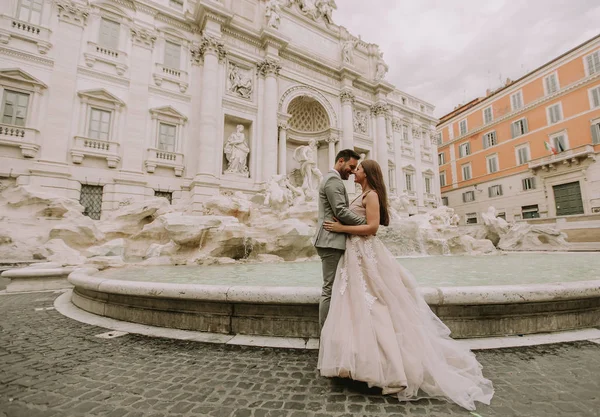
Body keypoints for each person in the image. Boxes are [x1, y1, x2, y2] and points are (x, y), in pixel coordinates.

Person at [318, 159, 494, 411]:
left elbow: (372, 228)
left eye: (358, 169)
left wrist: (340, 227)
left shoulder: (372, 195)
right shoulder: (363, 193)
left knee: (376, 305)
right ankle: (357, 362)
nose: (353, 171)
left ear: (366, 174)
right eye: (354, 168)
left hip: (365, 254)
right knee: (356, 305)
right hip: (354, 256)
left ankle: (387, 368)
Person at [313, 149, 366, 328]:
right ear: (341, 161)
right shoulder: (333, 181)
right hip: (331, 240)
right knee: (329, 289)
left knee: (334, 287)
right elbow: (340, 211)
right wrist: (365, 223)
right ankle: (325, 333)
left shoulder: (331, 180)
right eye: (351, 166)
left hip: (332, 239)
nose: (352, 171)